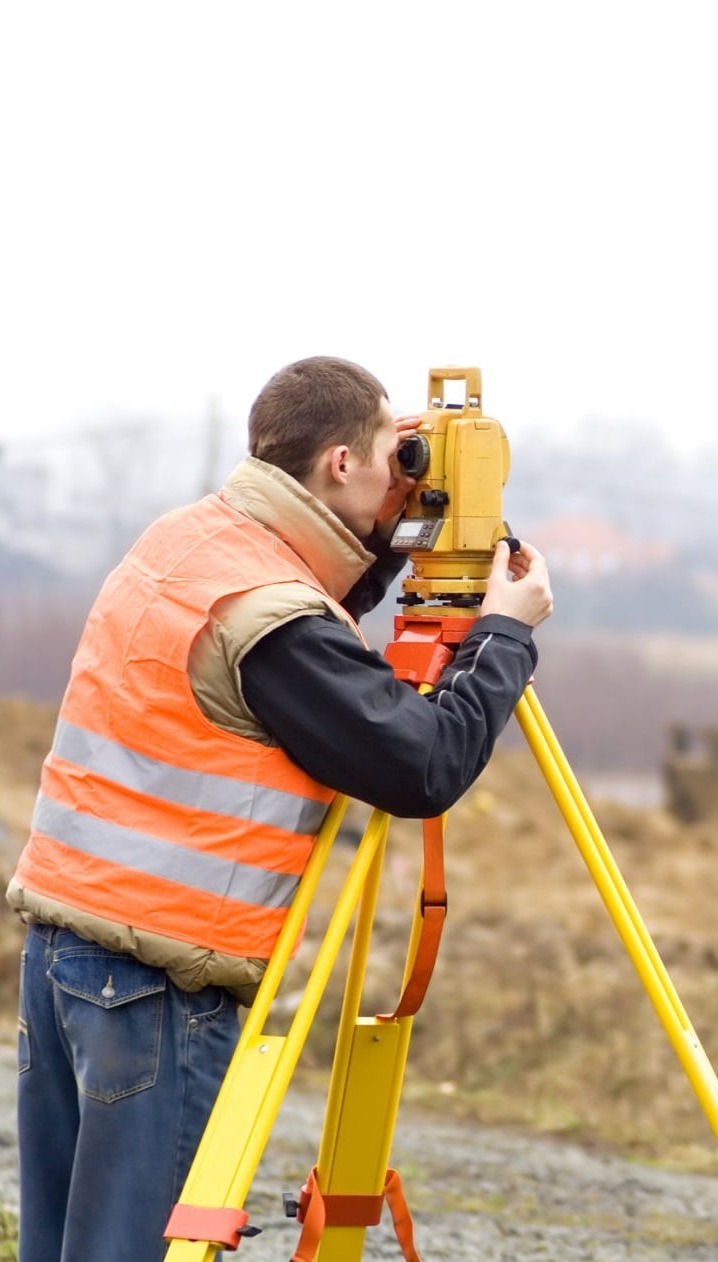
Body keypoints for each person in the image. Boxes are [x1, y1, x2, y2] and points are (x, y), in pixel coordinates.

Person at [7, 356, 553, 1262]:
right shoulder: (275, 619)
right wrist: (504, 634)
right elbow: (423, 767)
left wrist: (391, 543)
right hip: (157, 982)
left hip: (68, 952)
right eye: (395, 451)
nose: (406, 470)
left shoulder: (190, 542)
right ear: (341, 463)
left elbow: (304, 637)